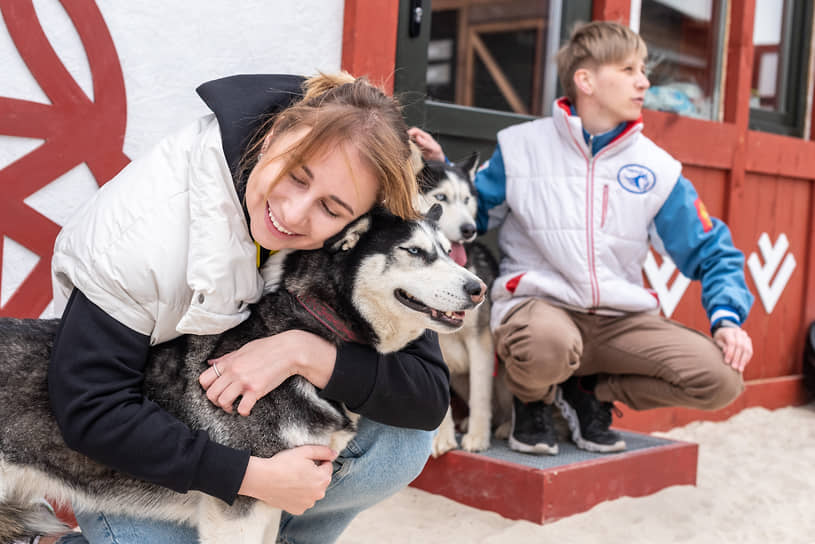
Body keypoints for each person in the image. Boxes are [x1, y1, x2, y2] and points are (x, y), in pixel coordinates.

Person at [46, 72, 449, 543]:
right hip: (139, 435)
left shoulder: (368, 228)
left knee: (398, 443)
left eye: (332, 209)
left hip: (255, 421)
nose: (295, 213)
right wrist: (248, 478)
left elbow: (426, 393)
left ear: (360, 218)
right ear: (275, 134)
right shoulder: (137, 238)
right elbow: (90, 408)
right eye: (296, 176)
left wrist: (303, 352)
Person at [408, 21, 754, 456]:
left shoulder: (657, 168)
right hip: (542, 310)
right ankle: (532, 400)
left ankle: (590, 391)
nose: (643, 81)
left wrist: (727, 318)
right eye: (628, 69)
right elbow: (470, 208)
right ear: (585, 80)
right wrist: (446, 172)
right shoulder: (521, 147)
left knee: (721, 380)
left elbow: (712, 250)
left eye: (642, 69)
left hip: (618, 318)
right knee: (545, 347)